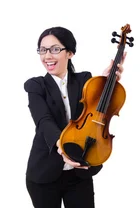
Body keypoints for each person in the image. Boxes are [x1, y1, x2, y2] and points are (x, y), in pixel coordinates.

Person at [24, 26, 126, 208]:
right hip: (44, 175)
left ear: (69, 53)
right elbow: (43, 121)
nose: (47, 56)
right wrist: (64, 149)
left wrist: (106, 82)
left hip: (80, 174)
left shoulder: (85, 80)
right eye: (42, 50)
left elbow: (96, 109)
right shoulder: (35, 86)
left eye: (55, 49)